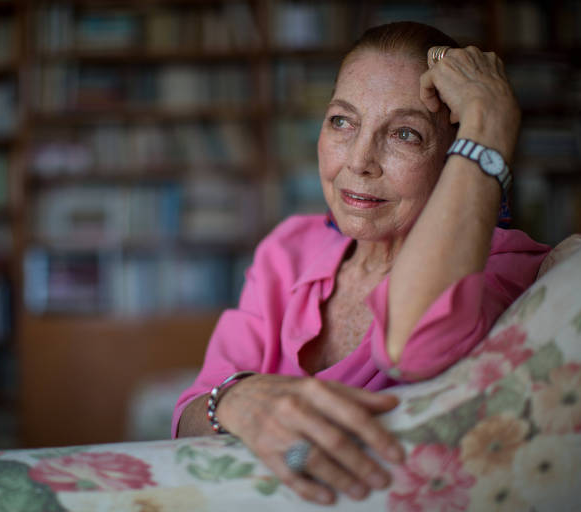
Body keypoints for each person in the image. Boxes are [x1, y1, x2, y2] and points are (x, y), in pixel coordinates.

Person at [173, 21, 551, 505]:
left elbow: (413, 346)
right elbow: (188, 418)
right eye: (342, 121)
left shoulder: (502, 264)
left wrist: (490, 120)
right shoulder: (290, 249)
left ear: (455, 155)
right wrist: (233, 400)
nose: (358, 161)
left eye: (406, 135)